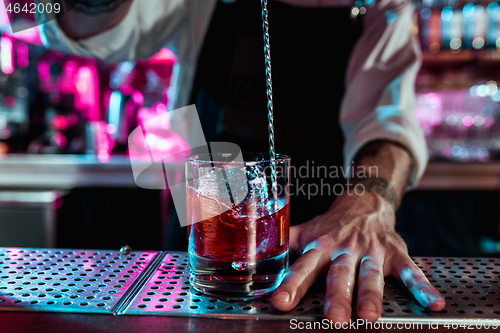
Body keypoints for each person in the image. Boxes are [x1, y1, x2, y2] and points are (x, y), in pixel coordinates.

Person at [37, 0, 446, 323]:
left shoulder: (381, 7)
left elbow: (389, 125)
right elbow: (80, 28)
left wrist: (368, 204)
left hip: (321, 259)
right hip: (202, 249)